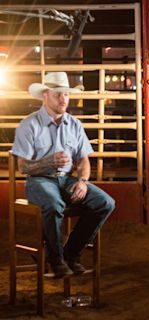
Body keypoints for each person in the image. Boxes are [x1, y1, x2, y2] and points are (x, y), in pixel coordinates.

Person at [12, 72, 115, 278]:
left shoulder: (74, 124)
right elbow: (22, 167)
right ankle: (56, 259)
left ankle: (70, 253)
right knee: (53, 204)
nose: (63, 99)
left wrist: (83, 182)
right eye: (58, 94)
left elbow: (83, 160)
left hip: (66, 179)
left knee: (105, 203)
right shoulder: (29, 124)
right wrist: (47, 162)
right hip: (39, 180)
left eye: (66, 95)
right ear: (45, 96)